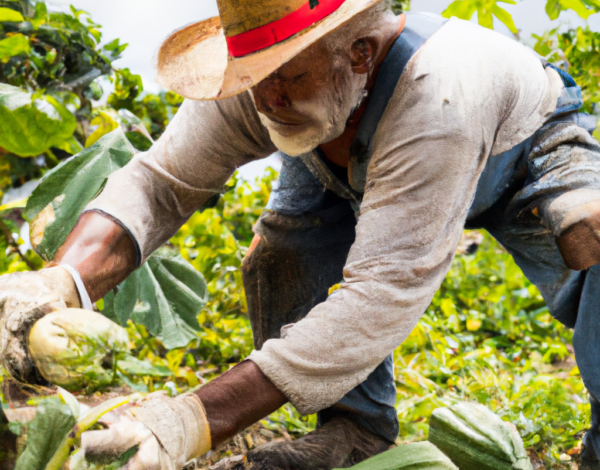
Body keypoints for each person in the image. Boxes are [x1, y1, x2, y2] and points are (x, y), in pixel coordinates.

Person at [1, 0, 600, 468]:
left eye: (288, 75)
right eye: (255, 76)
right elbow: (160, 184)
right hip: (337, 142)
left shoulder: (436, 96)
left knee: (591, 241)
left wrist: (189, 420)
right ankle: (353, 428)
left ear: (360, 53)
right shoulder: (270, 89)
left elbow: (381, 295)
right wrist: (58, 284)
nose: (267, 96)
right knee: (284, 253)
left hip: (523, 148)